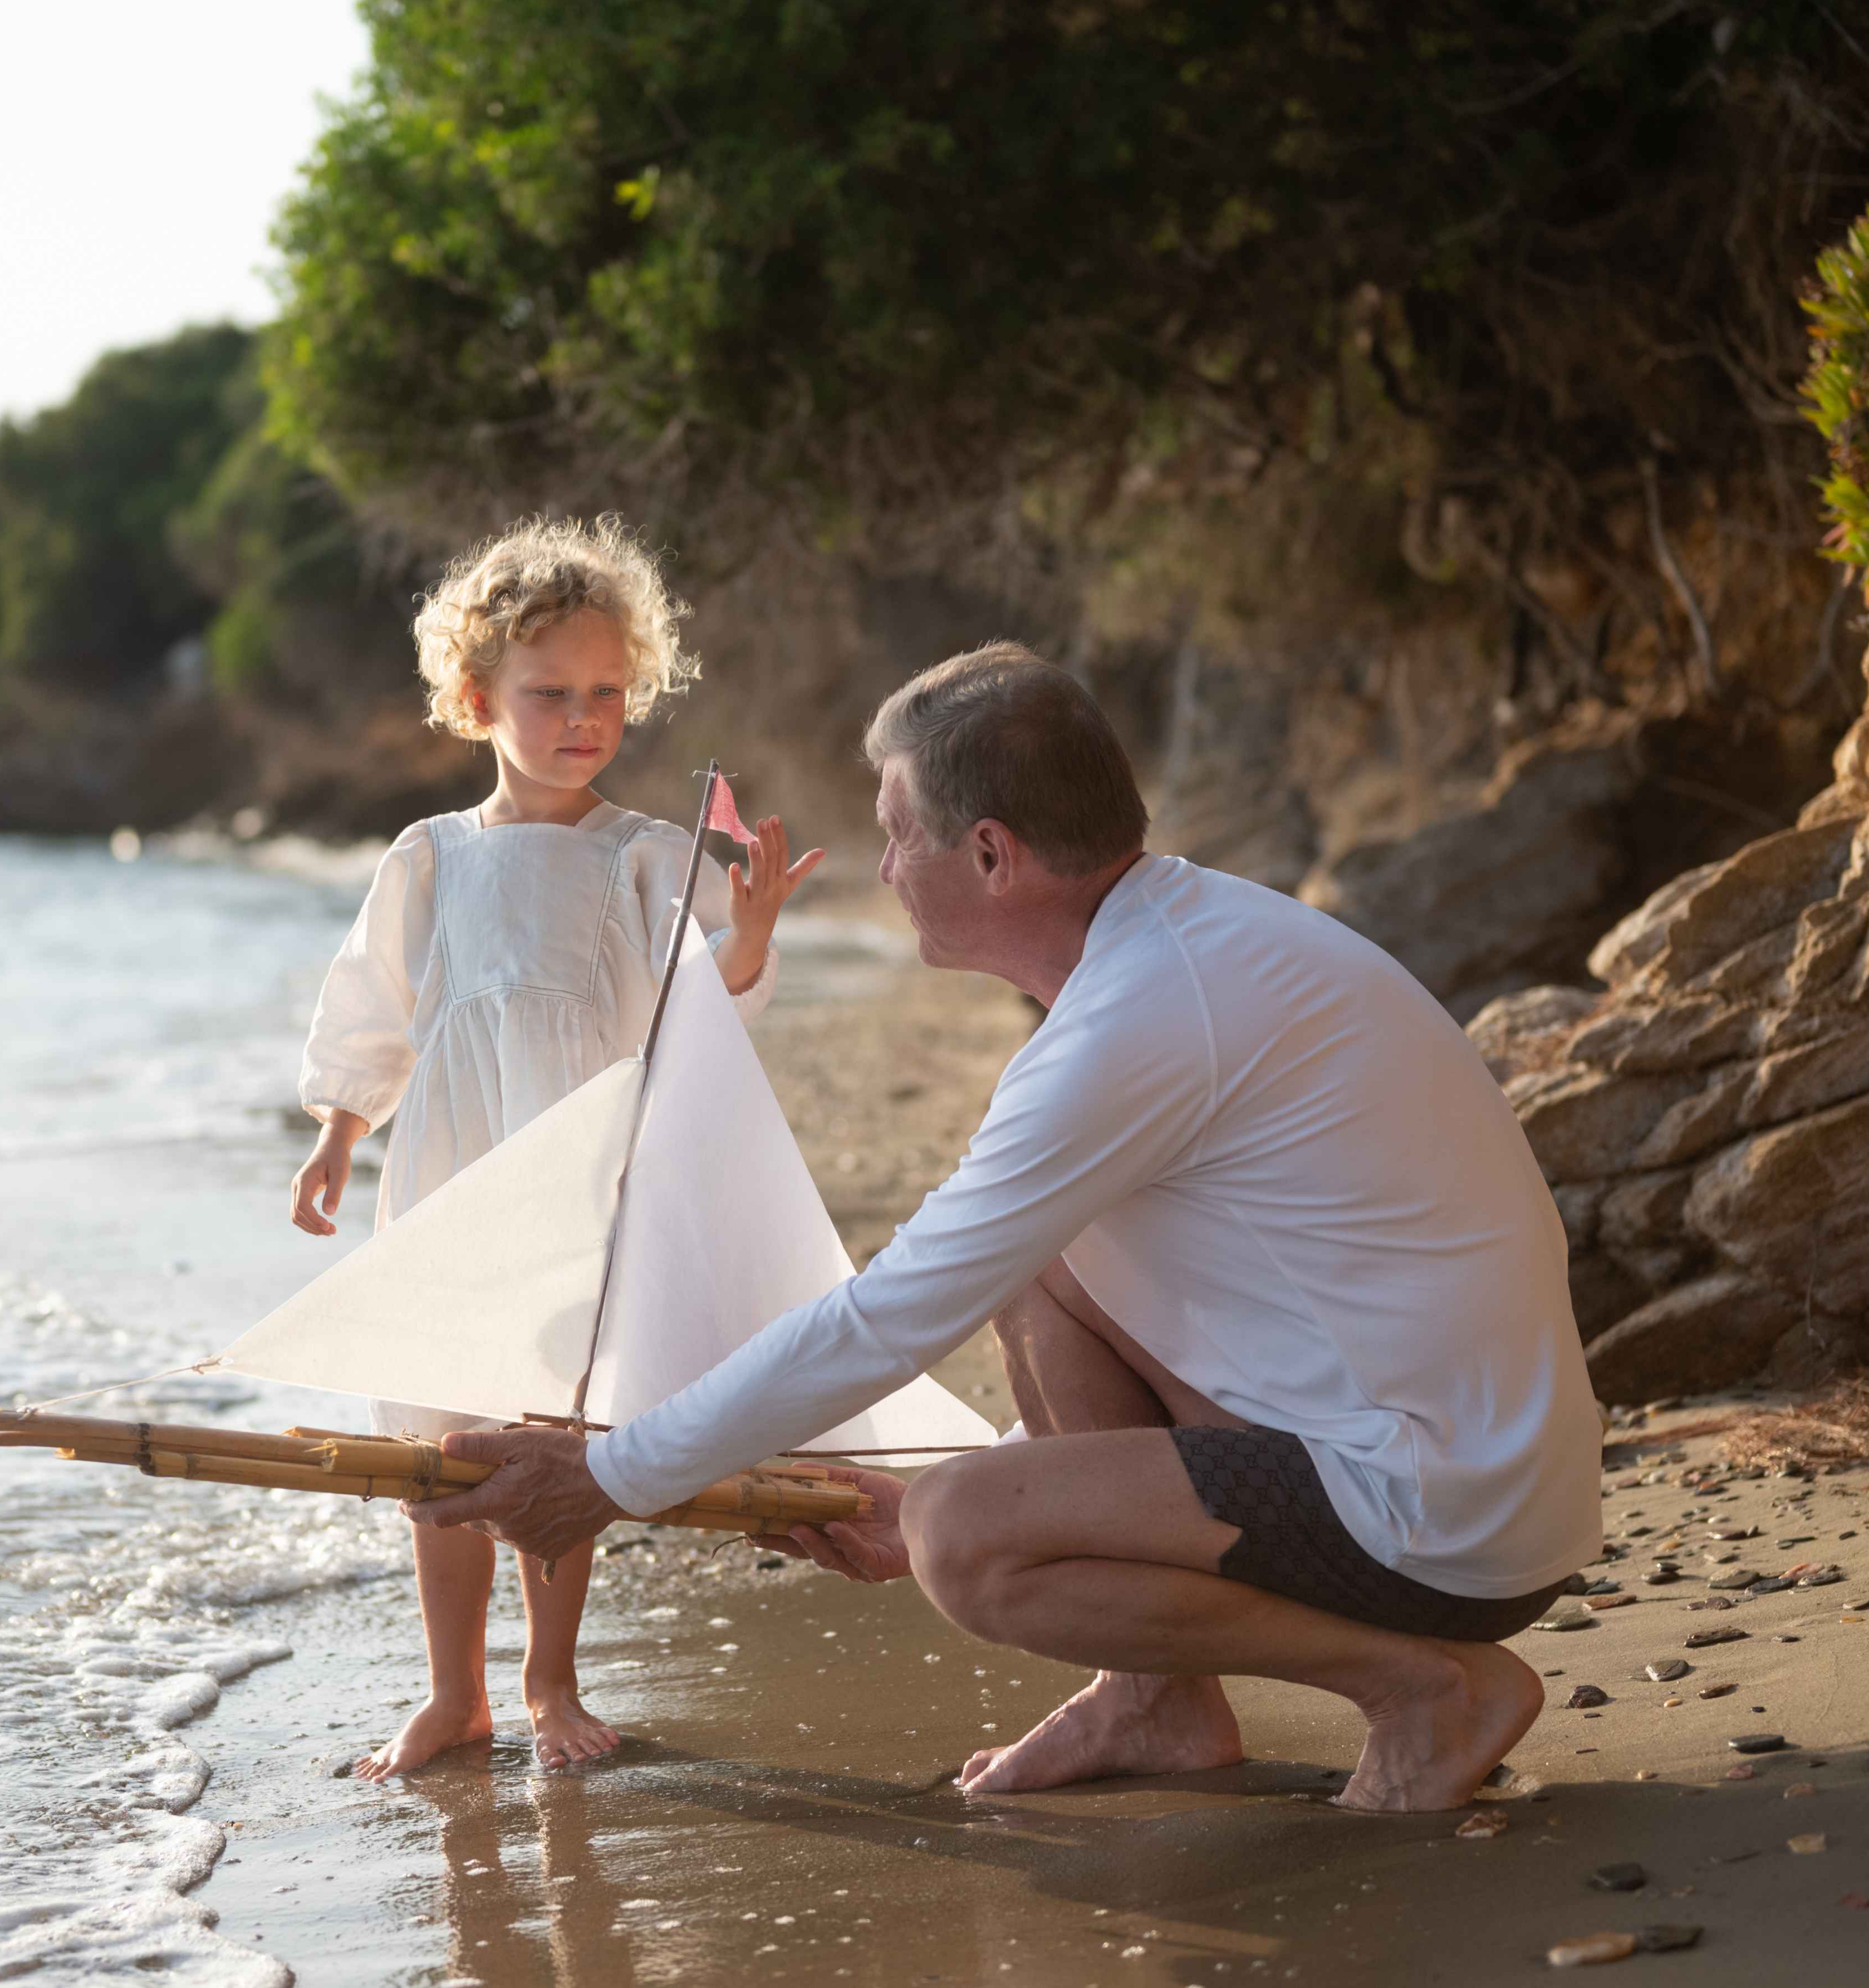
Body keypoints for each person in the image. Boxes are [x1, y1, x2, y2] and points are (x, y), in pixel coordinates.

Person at [401, 642, 1602, 1813]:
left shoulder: (1134, 1017)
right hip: (1433, 1448)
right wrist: (901, 1486)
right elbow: (1005, 1289)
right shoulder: (1175, 944)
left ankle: (1425, 1686)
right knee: (1036, 1280)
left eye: (895, 832)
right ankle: (1155, 1699)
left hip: (1440, 1514)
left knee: (971, 1542)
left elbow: (894, 1314)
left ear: (990, 854)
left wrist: (615, 1470)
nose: (881, 867)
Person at [287, 515, 822, 1780]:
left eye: (606, 693)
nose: (583, 716)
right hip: (448, 1172)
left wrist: (745, 936)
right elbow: (372, 1002)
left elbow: (706, 999)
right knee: (436, 1432)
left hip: (575, 1173)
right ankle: (451, 1691)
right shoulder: (428, 854)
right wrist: (337, 1130)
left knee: (546, 1432)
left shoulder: (642, 853)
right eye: (550, 693)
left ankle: (550, 1677)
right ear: (477, 700)